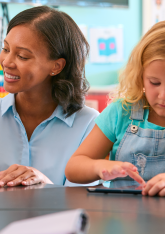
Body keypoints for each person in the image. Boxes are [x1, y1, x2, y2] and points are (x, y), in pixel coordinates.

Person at [0, 6, 99, 186]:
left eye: (22, 56)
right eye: (5, 49)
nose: (6, 62)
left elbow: (83, 203)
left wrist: (44, 183)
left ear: (56, 66)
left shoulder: (89, 124)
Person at [65, 21, 165, 196]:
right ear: (140, 76)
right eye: (154, 82)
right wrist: (99, 166)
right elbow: (73, 168)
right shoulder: (122, 112)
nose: (163, 95)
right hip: (123, 218)